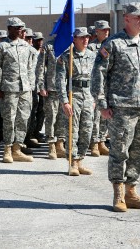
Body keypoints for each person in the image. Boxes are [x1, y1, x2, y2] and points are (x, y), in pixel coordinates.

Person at [92, 2, 140, 212]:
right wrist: (101, 104)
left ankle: (131, 192)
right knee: (119, 151)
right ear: (126, 18)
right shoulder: (113, 44)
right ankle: (118, 194)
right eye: (137, 16)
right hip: (121, 108)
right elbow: (98, 75)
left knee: (139, 152)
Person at [0, 17, 37, 163]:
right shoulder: (1, 46)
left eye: (21, 28)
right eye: (16, 28)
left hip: (25, 88)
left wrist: (31, 86)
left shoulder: (26, 46)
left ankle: (17, 148)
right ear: (9, 28)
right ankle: (7, 149)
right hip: (9, 88)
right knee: (9, 118)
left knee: (23, 118)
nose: (20, 30)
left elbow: (30, 67)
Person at [56, 27, 96, 176]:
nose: (85, 40)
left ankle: (80, 160)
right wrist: (64, 101)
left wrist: (96, 98)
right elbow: (60, 80)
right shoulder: (66, 57)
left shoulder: (92, 56)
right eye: (82, 38)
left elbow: (97, 78)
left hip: (88, 96)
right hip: (74, 96)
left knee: (87, 131)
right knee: (73, 131)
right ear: (74, 39)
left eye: (87, 37)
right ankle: (72, 162)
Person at [36, 35, 65, 159]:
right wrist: (41, 86)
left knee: (63, 118)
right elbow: (40, 67)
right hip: (51, 87)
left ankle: (60, 144)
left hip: (66, 88)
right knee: (51, 117)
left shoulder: (70, 46)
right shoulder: (48, 46)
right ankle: (51, 145)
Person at [87, 20, 111, 156]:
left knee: (105, 116)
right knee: (96, 116)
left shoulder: (109, 45)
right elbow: (91, 70)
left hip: (108, 86)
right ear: (97, 31)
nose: (106, 32)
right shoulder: (91, 48)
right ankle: (94, 143)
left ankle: (102, 141)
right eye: (103, 30)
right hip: (96, 86)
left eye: (107, 29)